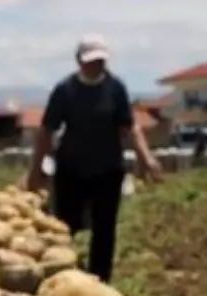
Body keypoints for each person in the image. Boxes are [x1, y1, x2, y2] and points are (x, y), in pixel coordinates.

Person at [26, 34, 161, 283]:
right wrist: (35, 170)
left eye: (100, 61)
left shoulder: (115, 88)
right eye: (90, 61)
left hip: (107, 170)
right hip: (70, 170)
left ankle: (100, 280)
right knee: (65, 227)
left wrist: (147, 159)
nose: (96, 65)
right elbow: (47, 130)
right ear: (79, 61)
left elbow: (130, 127)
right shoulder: (65, 90)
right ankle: (63, 277)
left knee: (104, 230)